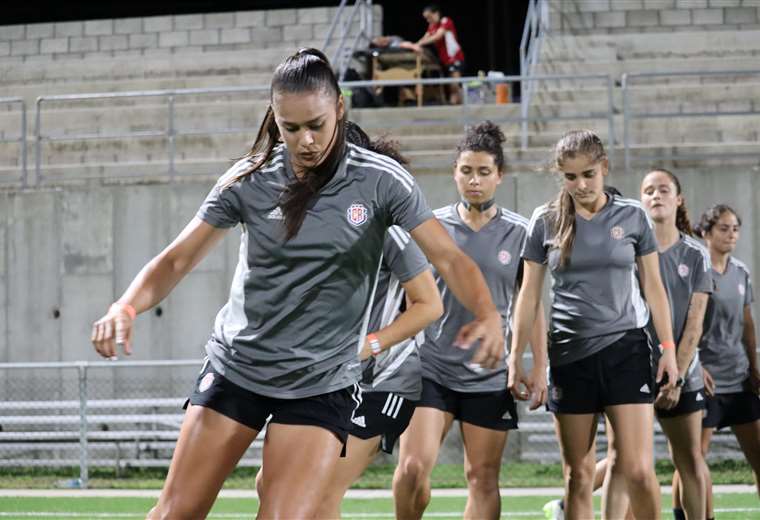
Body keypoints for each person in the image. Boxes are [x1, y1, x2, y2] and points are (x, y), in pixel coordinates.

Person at [90, 48, 505, 520]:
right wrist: (125, 305)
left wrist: (488, 314)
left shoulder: (383, 183)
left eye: (317, 125)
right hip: (238, 367)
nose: (305, 140)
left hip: (321, 381)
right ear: (275, 119)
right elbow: (176, 259)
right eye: (291, 128)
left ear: (340, 110)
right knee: (174, 513)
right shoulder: (248, 179)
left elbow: (448, 259)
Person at [257, 122, 443, 518]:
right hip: (329, 378)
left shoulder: (386, 225)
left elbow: (428, 304)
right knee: (270, 486)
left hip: (383, 380)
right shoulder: (315, 224)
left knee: (321, 489)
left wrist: (370, 344)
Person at [510, 129, 679, 520]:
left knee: (637, 469)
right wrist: (516, 357)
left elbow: (654, 288)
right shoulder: (545, 220)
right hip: (569, 358)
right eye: (571, 177)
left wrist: (668, 350)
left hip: (626, 350)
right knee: (578, 477)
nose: (581, 185)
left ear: (603, 168)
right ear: (561, 176)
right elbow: (529, 296)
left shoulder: (633, 215)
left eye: (588, 174)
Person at [393, 121, 548, 520]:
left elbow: (530, 306)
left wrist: (538, 367)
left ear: (499, 176)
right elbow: (408, 295)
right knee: (411, 471)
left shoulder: (519, 232)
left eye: (483, 172)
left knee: (482, 479)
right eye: (466, 171)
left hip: (490, 375)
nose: (474, 180)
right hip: (432, 369)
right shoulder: (432, 227)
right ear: (454, 173)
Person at [688, 204, 760, 519]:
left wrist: (754, 366)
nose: (731, 235)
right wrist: (695, 366)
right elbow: (684, 325)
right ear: (706, 232)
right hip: (706, 380)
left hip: (739, 377)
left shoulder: (741, 272)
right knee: (694, 458)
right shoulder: (694, 271)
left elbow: (747, 324)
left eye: (735, 229)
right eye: (723, 228)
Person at [409, 4, 465, 105]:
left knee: (455, 85)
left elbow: (437, 37)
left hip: (455, 57)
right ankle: (459, 107)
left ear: (436, 14)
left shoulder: (445, 21)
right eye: (426, 18)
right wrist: (415, 45)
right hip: (445, 60)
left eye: (429, 17)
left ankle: (461, 107)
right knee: (452, 86)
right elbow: (425, 37)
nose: (428, 20)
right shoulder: (432, 26)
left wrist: (420, 43)